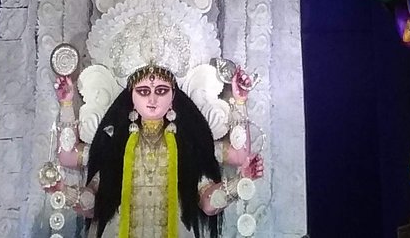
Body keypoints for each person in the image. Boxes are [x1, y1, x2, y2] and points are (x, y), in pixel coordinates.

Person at [42, 63, 264, 237]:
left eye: (161, 90)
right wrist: (67, 105)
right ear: (131, 96)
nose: (152, 98)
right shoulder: (115, 143)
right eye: (143, 91)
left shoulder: (187, 144)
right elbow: (73, 165)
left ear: (173, 96)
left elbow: (211, 197)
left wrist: (241, 182)